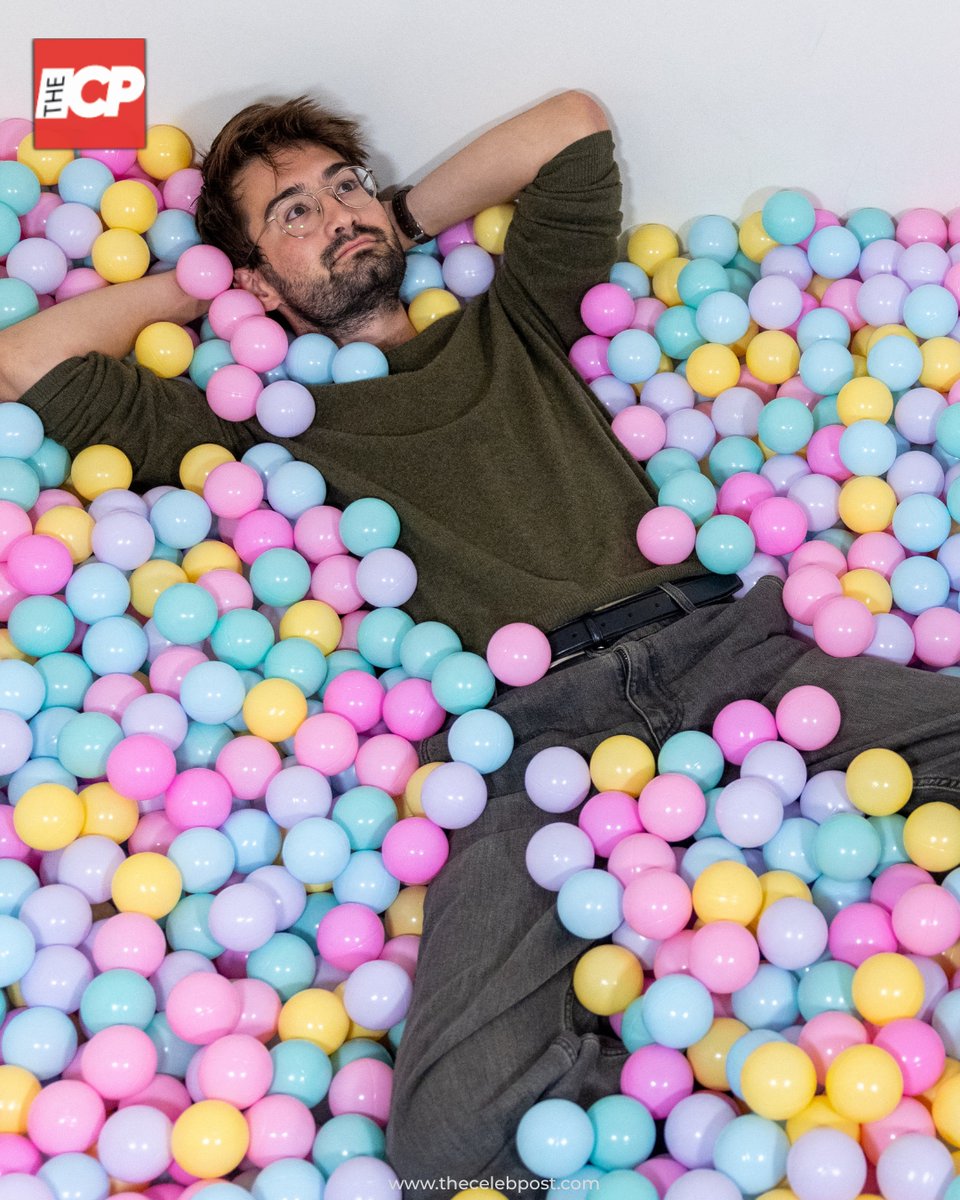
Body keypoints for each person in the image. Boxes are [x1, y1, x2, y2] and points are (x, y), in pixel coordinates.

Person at [1, 91, 959, 1192]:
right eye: (295, 213)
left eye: (345, 187)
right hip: (523, 746)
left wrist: (391, 214)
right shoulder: (252, 430)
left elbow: (574, 126)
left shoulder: (513, 324)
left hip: (724, 656)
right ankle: (690, 1096)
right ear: (254, 278)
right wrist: (217, 279)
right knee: (448, 1152)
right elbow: (27, 359)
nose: (338, 217)